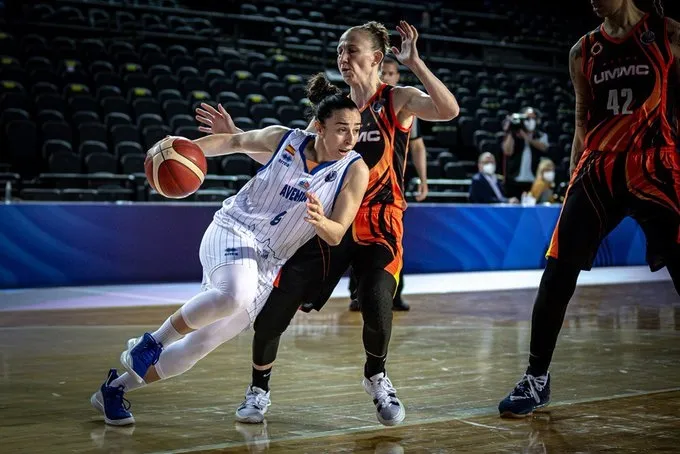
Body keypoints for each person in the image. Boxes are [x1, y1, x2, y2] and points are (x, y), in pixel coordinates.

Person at [223, 20, 458, 427]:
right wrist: (238, 139)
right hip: (329, 220)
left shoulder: (396, 99)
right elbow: (293, 154)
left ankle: (376, 377)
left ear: (376, 57)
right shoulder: (334, 110)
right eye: (339, 50)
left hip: (379, 222)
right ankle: (258, 391)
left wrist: (416, 64)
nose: (342, 57)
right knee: (277, 306)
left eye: (351, 49)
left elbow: (449, 110)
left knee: (377, 298)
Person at [89, 85, 369, 426]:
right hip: (234, 228)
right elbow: (233, 142)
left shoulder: (355, 170)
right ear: (320, 127)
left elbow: (337, 233)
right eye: (342, 129)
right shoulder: (283, 139)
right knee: (235, 294)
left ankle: (113, 389)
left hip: (268, 264)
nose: (350, 138)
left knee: (196, 348)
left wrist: (321, 221)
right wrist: (174, 151)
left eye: (356, 130)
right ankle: (151, 342)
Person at [498, 0, 680, 418]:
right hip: (597, 167)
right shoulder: (583, 51)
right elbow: (581, 119)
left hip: (655, 163)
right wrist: (573, 177)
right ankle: (536, 378)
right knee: (557, 271)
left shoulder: (667, 33)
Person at [347, 55, 429, 312]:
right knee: (353, 242)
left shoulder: (402, 104)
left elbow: (417, 146)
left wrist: (423, 180)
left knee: (391, 244)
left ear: (397, 76)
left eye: (392, 73)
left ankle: (394, 294)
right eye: (385, 72)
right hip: (355, 191)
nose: (388, 76)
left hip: (388, 192)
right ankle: (356, 293)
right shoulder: (355, 105)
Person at [502, 107, 550, 199]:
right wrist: (511, 130)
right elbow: (507, 151)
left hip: (534, 181)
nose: (530, 121)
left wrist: (526, 137)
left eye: (533, 118)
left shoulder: (541, 135)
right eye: (527, 118)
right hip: (514, 180)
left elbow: (544, 147)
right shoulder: (514, 134)